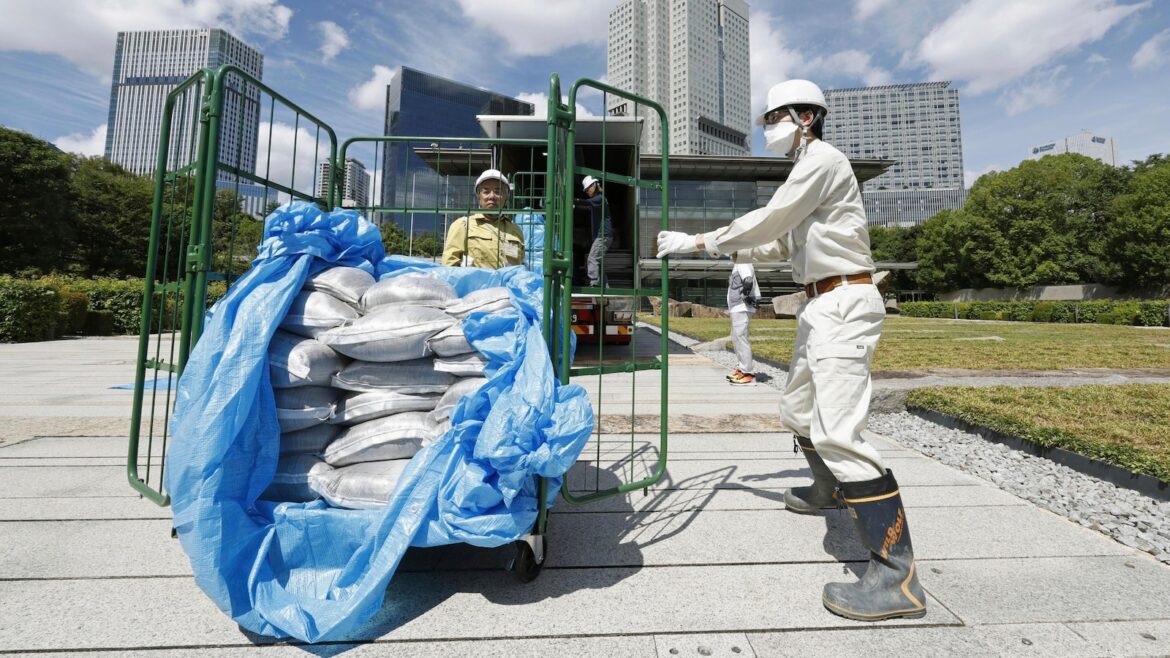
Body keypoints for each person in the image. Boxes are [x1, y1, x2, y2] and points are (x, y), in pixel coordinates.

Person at [655, 79, 925, 622]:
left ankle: (898, 578)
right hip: (820, 304)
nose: (766, 128)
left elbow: (773, 218)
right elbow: (780, 242)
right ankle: (828, 490)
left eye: (772, 117)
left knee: (837, 432)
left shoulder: (822, 159)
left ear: (805, 117)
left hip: (845, 303)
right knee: (798, 411)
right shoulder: (808, 169)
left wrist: (700, 240)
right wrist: (721, 249)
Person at [442, 169, 525, 269]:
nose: (492, 196)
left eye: (498, 192)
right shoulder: (463, 225)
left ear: (506, 197)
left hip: (506, 285)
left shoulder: (515, 230)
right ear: (478, 197)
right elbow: (449, 268)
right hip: (474, 284)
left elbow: (521, 266)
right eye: (486, 191)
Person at [726, 262, 760, 385]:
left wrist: (745, 296)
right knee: (736, 337)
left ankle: (748, 374)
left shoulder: (743, 260)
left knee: (740, 337)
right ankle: (741, 369)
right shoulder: (738, 262)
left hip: (742, 306)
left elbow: (748, 280)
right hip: (737, 306)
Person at [581, 175, 614, 287]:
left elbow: (585, 203)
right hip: (604, 235)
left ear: (594, 185)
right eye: (585, 191)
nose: (587, 192)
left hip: (603, 235)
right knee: (598, 262)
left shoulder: (599, 198)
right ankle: (605, 285)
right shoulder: (597, 201)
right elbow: (585, 206)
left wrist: (572, 201)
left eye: (588, 189)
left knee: (592, 258)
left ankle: (594, 282)